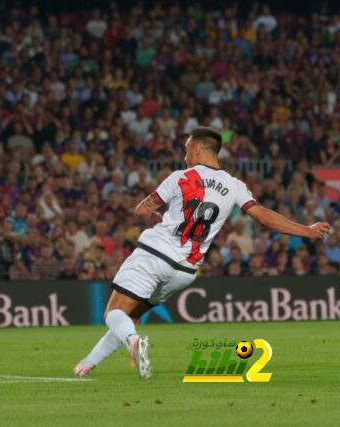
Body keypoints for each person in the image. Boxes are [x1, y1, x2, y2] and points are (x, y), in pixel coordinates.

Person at [73, 127, 331, 379]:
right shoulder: (234, 185)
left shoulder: (180, 177)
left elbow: (141, 210)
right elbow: (263, 217)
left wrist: (163, 214)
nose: (185, 156)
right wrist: (306, 230)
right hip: (184, 271)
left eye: (187, 150)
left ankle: (133, 342)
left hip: (155, 254)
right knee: (131, 315)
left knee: (113, 314)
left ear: (197, 148)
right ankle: (86, 364)